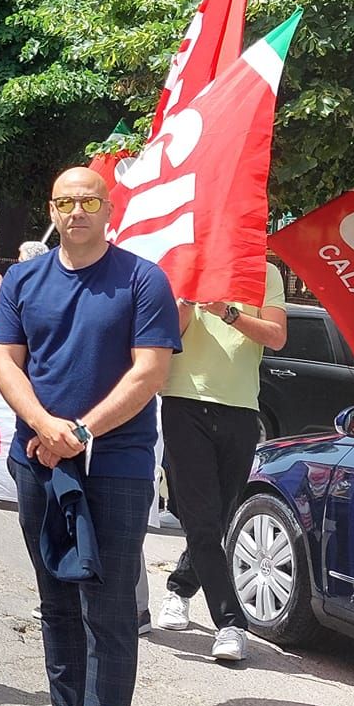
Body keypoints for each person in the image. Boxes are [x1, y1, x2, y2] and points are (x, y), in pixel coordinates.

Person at [0, 166, 178, 706]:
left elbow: (150, 370)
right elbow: (5, 361)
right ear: (52, 207)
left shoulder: (142, 280)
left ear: (108, 206)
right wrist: (45, 428)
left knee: (108, 609)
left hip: (115, 467)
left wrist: (81, 430)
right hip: (37, 460)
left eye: (88, 201)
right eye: (65, 201)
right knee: (56, 599)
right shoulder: (23, 279)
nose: (76, 211)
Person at [151, 263, 288, 661]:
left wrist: (228, 312)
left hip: (242, 407)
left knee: (219, 516)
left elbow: (277, 337)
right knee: (200, 517)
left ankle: (180, 586)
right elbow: (164, 334)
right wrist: (188, 300)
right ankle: (230, 622)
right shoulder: (187, 264)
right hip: (184, 401)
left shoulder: (266, 274)